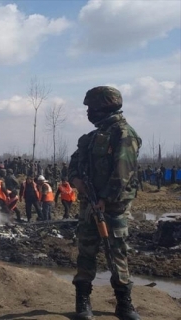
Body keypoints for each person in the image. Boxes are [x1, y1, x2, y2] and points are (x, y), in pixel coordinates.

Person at [68, 86, 142, 320]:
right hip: (89, 205)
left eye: (91, 107)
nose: (88, 112)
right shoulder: (90, 138)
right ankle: (83, 302)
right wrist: (75, 180)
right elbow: (73, 165)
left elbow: (123, 173)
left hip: (112, 206)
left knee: (117, 252)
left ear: (103, 106)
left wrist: (105, 199)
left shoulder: (123, 133)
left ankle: (124, 304)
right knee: (86, 252)